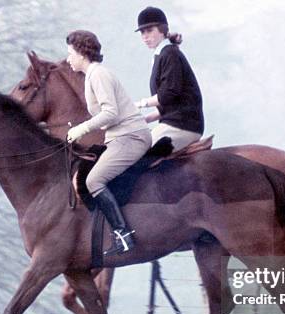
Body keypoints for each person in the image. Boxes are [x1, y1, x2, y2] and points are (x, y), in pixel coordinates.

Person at [65, 30, 151, 255]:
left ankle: (123, 235)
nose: (68, 59)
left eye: (70, 53)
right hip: (118, 138)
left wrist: (83, 128)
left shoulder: (98, 74)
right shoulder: (92, 75)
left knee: (93, 181)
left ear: (82, 53)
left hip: (130, 137)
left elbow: (110, 112)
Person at [134, 6, 204, 152]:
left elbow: (168, 94)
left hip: (184, 125)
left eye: (149, 30)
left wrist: (138, 104)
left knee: (138, 153)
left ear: (162, 30)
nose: (145, 36)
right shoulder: (161, 55)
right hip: (175, 122)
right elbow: (171, 106)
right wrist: (144, 119)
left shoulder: (170, 54)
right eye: (142, 32)